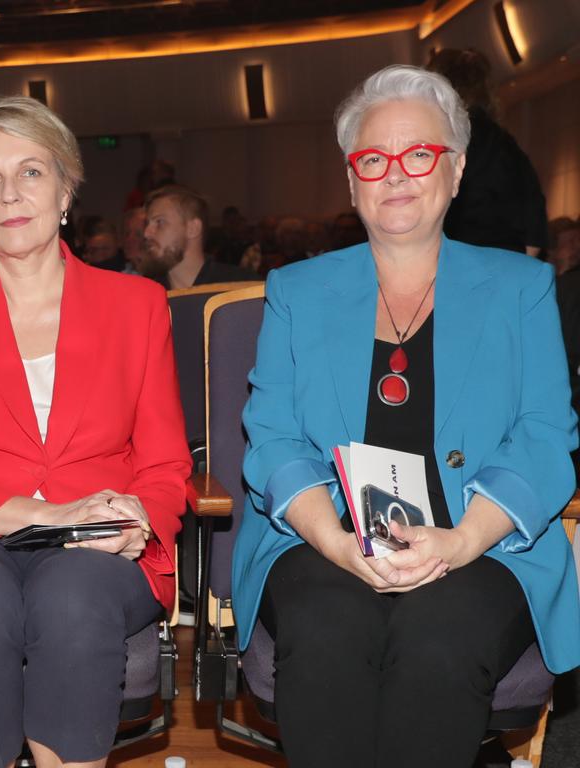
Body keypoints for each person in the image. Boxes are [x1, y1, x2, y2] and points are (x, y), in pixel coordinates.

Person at [232, 65, 580, 768]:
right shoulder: (297, 290)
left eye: (419, 154)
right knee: (328, 626)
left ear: (453, 172)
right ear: (352, 179)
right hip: (322, 541)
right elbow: (271, 439)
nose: (397, 175)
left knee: (439, 638)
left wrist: (458, 543)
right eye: (373, 159)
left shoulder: (522, 287)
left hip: (482, 546)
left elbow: (546, 437)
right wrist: (334, 543)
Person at [0, 95, 190, 768]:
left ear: (67, 188)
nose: (10, 193)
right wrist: (44, 514)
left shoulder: (137, 305)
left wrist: (140, 515)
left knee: (73, 592)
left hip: (98, 542)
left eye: (31, 172)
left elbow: (166, 463)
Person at [428, 48, 547, 256]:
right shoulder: (506, 143)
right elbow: (534, 229)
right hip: (506, 265)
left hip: (452, 266)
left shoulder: (438, 143)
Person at [140, 184, 256, 288]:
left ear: (193, 229)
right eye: (147, 224)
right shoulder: (146, 294)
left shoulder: (240, 288)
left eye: (160, 222)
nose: (146, 233)